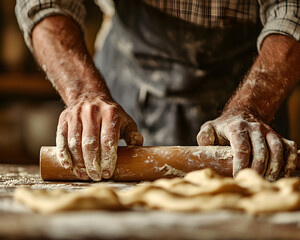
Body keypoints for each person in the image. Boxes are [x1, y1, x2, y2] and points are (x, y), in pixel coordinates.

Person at [16, 0, 300, 182]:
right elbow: (45, 3)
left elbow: (293, 10)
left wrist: (251, 107)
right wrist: (84, 93)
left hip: (254, 73)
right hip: (128, 71)